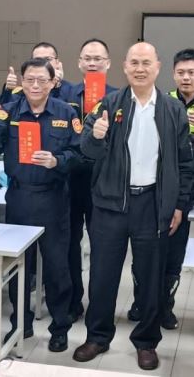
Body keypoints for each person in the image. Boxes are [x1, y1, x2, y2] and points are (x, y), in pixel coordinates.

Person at [72, 42, 194, 372]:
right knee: (102, 276)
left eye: (146, 63)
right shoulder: (109, 104)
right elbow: (86, 152)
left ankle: (146, 342)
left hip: (153, 204)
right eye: (134, 63)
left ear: (157, 67)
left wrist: (179, 206)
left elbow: (186, 164)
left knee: (150, 279)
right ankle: (98, 337)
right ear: (124, 67)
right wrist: (96, 136)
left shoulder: (173, 110)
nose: (140, 69)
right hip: (110, 204)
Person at [0, 57, 80, 353]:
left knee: (57, 268)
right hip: (19, 198)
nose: (35, 85)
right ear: (21, 82)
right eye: (30, 79)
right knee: (19, 266)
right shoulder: (9, 111)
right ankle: (21, 322)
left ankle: (60, 327)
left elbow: (79, 154)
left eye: (42, 80)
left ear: (53, 83)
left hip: (54, 198)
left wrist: (58, 161)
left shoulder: (66, 113)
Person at [127, 48, 194, 328]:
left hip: (189, 188)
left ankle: (165, 307)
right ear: (172, 74)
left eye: (192, 72)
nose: (186, 78)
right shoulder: (160, 101)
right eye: (181, 72)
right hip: (155, 188)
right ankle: (141, 302)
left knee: (173, 252)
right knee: (144, 251)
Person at [61, 37, 115, 321]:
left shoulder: (118, 97)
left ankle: (99, 307)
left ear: (108, 63)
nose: (92, 63)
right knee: (70, 243)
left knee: (102, 248)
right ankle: (73, 302)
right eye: (87, 58)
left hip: (103, 181)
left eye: (98, 59)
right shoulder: (65, 94)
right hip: (70, 180)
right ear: (79, 62)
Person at [0, 42, 73, 105]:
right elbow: (3, 109)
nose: (43, 63)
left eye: (48, 59)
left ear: (57, 63)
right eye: (38, 59)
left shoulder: (71, 90)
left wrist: (56, 85)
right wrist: (8, 90)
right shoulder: (24, 89)